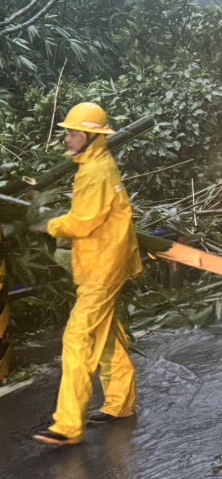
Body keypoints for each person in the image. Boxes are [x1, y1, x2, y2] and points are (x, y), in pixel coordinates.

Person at [32, 103, 142, 446]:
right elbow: (90, 212)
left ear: (91, 136)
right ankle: (120, 404)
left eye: (74, 132)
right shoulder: (96, 166)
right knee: (107, 337)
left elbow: (83, 222)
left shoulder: (95, 171)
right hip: (106, 262)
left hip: (101, 269)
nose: (68, 137)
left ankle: (67, 426)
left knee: (77, 339)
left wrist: (47, 224)